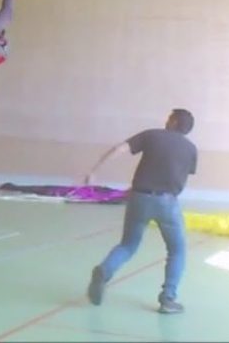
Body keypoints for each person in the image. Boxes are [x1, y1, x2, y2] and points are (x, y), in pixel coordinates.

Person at [83, 108, 198, 314]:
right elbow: (178, 174)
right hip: (167, 202)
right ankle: (168, 299)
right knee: (177, 250)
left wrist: (95, 171)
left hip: (138, 197)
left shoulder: (151, 135)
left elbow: (119, 148)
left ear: (173, 122)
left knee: (128, 245)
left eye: (169, 118)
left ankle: (105, 270)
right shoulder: (191, 149)